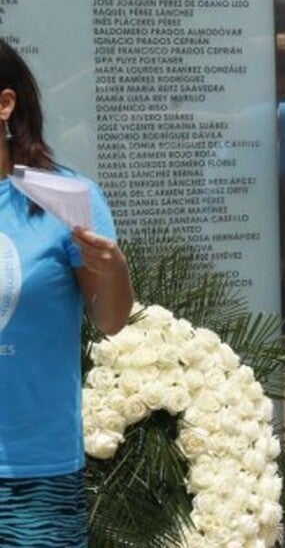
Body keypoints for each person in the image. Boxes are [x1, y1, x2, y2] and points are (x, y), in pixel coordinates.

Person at [0, 39, 133, 546]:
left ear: (5, 104)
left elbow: (110, 319)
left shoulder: (63, 197)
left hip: (36, 469)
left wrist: (115, 270)